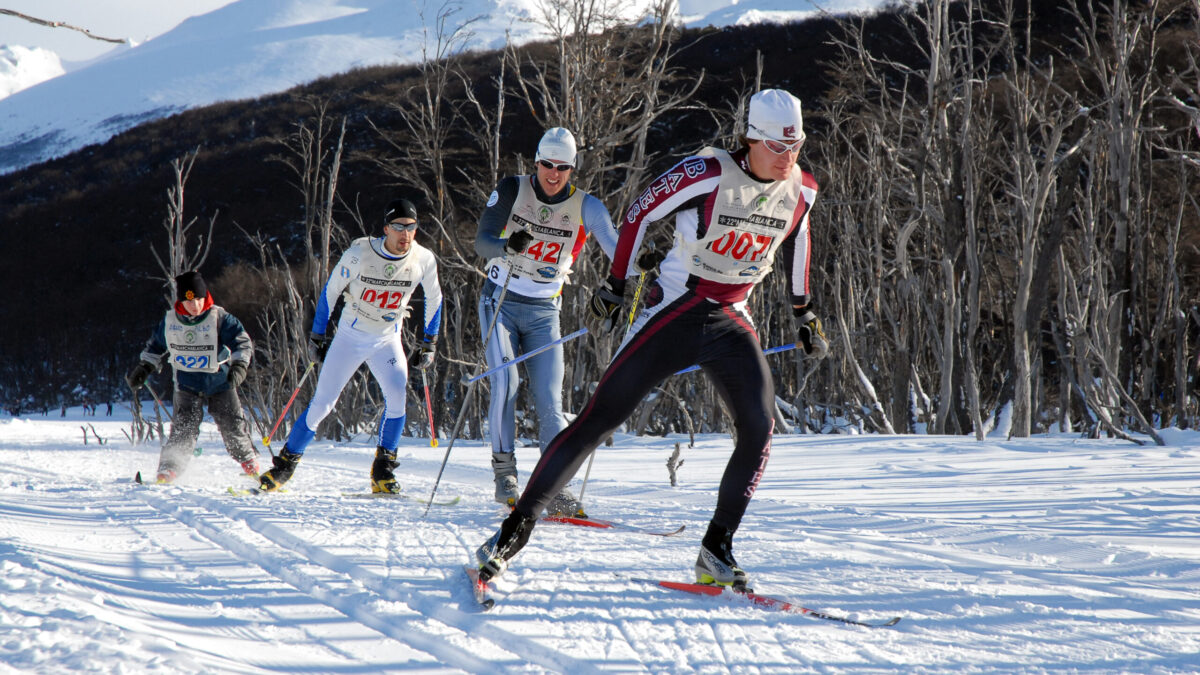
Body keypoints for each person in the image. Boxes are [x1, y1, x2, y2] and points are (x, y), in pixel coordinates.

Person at [475, 89, 830, 590]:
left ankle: (716, 548)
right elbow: (640, 212)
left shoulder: (802, 188)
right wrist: (615, 286)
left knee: (759, 425)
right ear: (751, 138)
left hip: (731, 317)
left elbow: (800, 237)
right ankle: (512, 531)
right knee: (600, 418)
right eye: (776, 146)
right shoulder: (707, 173)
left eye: (795, 146)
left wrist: (803, 310)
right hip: (676, 310)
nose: (787, 157)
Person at [474, 126, 619, 514]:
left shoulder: (588, 206)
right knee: (506, 382)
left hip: (544, 312)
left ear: (572, 169)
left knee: (551, 401)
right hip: (500, 301)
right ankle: (505, 475)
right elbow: (481, 241)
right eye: (547, 165)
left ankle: (555, 486)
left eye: (563, 167)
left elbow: (617, 249)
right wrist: (506, 246)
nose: (553, 174)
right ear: (536, 162)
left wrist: (640, 262)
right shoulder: (512, 188)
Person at [258, 197, 443, 493]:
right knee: (323, 404)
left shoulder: (423, 259)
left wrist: (429, 342)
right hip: (351, 337)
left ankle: (383, 470)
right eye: (398, 227)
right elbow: (330, 292)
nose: (405, 234)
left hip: (387, 338)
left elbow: (435, 299)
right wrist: (318, 334)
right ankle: (284, 466)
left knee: (397, 395)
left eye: (411, 227)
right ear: (386, 229)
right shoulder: (360, 254)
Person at [126, 270, 259, 483]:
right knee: (184, 428)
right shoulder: (171, 322)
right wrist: (144, 367)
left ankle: (250, 465)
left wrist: (240, 365)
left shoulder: (219, 318)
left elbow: (241, 342)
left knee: (232, 425)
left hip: (220, 382)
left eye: (199, 299)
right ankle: (168, 470)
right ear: (181, 301)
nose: (195, 305)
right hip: (187, 384)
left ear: (205, 296)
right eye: (189, 301)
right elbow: (155, 347)